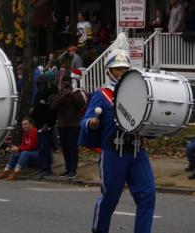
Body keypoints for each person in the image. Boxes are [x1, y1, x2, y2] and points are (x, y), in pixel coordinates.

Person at [79, 33, 155, 233]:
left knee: (147, 195)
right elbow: (85, 120)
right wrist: (92, 123)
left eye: (124, 69)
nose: (121, 72)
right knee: (110, 199)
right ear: (109, 71)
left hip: (137, 151)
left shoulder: (139, 93)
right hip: (113, 153)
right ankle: (99, 230)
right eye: (117, 69)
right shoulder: (101, 94)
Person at [51, 74, 87, 178]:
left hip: (74, 125)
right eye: (64, 83)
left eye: (68, 83)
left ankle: (73, 170)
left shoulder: (76, 93)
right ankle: (67, 169)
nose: (65, 86)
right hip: (62, 125)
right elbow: (53, 106)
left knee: (73, 148)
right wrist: (63, 95)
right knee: (65, 148)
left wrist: (71, 94)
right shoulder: (60, 94)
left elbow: (81, 104)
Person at [0, 117, 38, 181]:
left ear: (31, 124)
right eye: (23, 125)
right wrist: (16, 148)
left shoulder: (34, 131)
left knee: (24, 153)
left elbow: (32, 146)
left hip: (38, 154)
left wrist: (19, 149)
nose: (24, 126)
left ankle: (16, 173)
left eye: (26, 124)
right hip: (29, 153)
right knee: (15, 153)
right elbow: (23, 145)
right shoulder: (25, 133)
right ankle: (5, 171)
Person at [32, 76, 57, 178]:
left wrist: (48, 124)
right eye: (39, 84)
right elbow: (36, 107)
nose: (41, 85)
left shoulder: (50, 94)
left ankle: (47, 169)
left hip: (47, 126)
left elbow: (51, 111)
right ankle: (42, 168)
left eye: (43, 83)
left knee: (45, 148)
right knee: (41, 148)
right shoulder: (38, 94)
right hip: (38, 124)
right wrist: (32, 112)